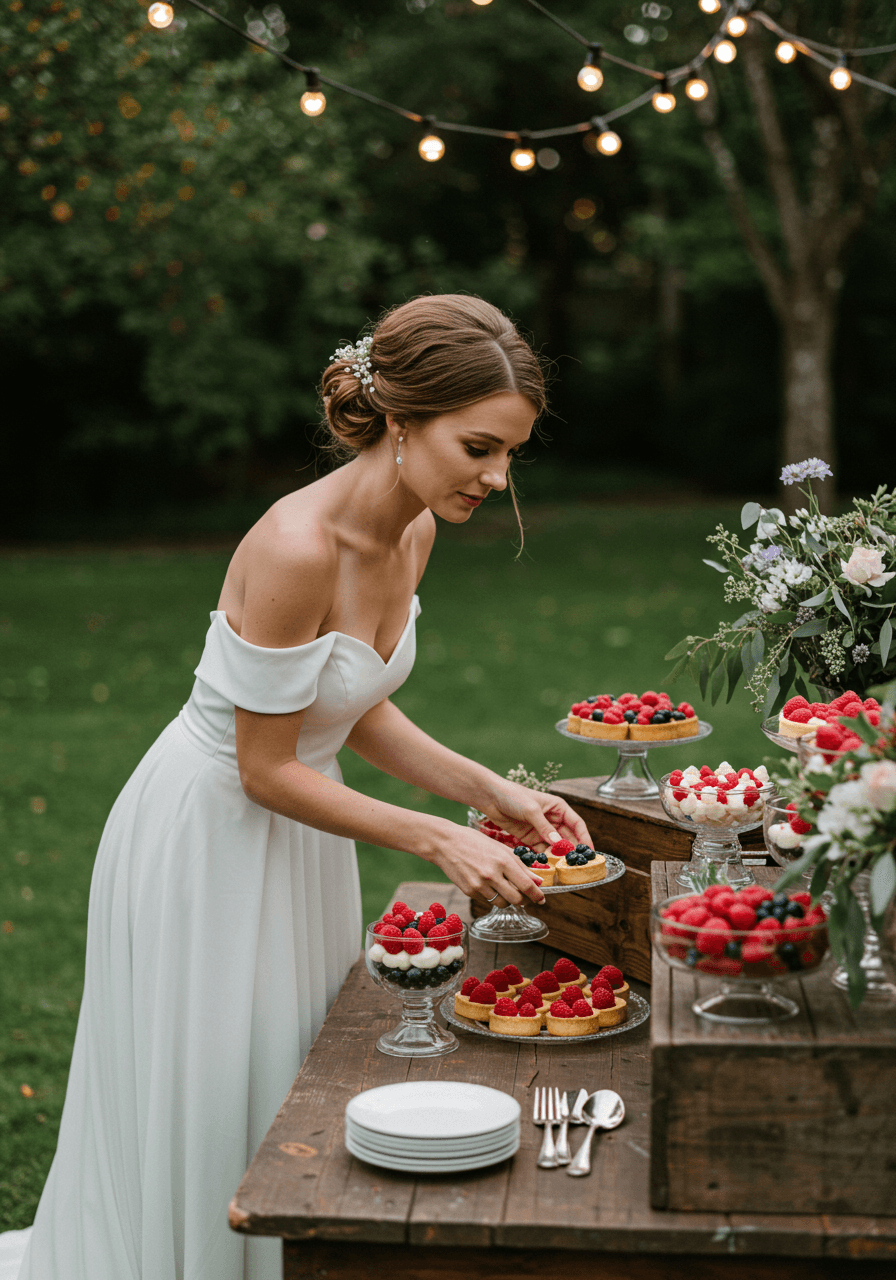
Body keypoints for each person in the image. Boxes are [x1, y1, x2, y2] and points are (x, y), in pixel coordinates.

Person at [2, 294, 590, 1280]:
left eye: (509, 454)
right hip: (209, 834)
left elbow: (349, 706)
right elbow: (263, 762)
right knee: (217, 1078)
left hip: (302, 829)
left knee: (288, 1075)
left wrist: (489, 791)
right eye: (478, 447)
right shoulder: (294, 547)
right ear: (403, 422)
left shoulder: (412, 534)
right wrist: (436, 839)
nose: (496, 477)